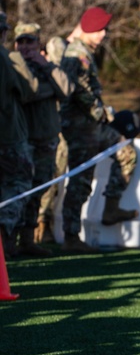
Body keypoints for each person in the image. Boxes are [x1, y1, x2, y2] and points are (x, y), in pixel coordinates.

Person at [60, 6, 138, 254]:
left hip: (91, 127)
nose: (104, 34)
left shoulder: (84, 52)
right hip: (81, 129)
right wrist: (104, 114)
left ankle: (111, 207)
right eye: (101, 29)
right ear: (90, 29)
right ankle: (71, 235)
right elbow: (81, 93)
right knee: (80, 180)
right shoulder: (76, 54)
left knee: (126, 152)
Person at [14, 22, 71, 257]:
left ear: (39, 43)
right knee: (19, 191)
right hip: (22, 140)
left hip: (46, 140)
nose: (26, 47)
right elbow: (31, 93)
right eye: (21, 42)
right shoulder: (13, 66)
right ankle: (9, 242)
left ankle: (28, 240)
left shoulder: (46, 66)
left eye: (31, 42)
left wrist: (46, 66)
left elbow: (67, 89)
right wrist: (50, 89)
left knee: (39, 190)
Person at [0, 12, 36, 258]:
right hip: (8, 134)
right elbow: (28, 90)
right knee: (19, 183)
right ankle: (4, 236)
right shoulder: (6, 57)